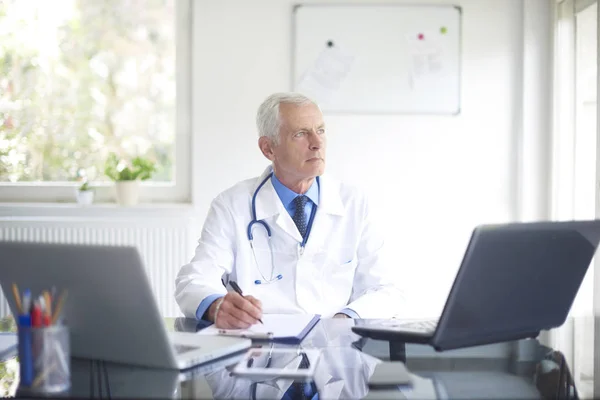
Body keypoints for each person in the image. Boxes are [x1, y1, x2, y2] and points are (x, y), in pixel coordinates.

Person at [175, 92, 403, 328]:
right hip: (259, 347)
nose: (317, 143)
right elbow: (193, 281)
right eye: (301, 134)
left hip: (336, 347)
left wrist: (345, 318)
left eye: (321, 130)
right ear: (268, 148)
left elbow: (386, 289)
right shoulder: (232, 205)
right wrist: (216, 306)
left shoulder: (354, 203)